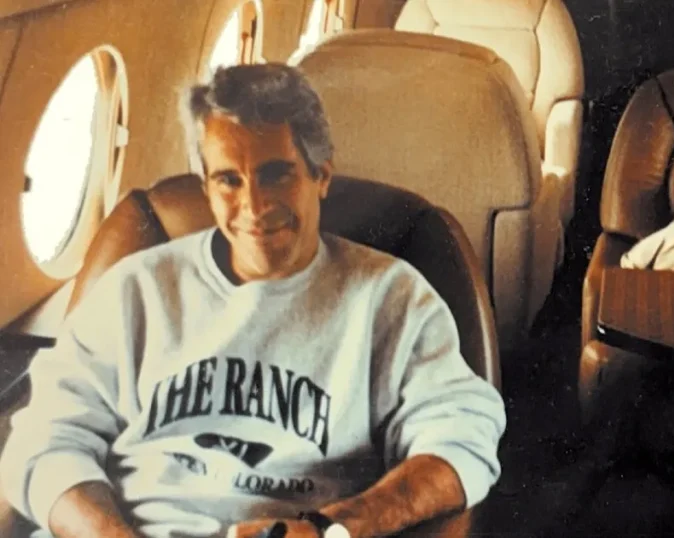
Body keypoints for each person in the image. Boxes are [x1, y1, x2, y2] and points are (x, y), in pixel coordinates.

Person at [0, 63, 506, 538]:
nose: (254, 206)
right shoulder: (136, 288)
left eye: (275, 174)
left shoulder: (391, 297)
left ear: (321, 175)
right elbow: (43, 441)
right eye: (228, 180)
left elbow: (462, 441)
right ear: (205, 186)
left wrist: (330, 527)